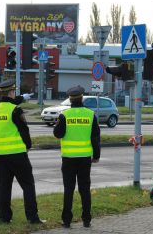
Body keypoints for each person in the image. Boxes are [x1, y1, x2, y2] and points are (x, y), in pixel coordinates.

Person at [0, 79, 45, 224]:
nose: (15, 94)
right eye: (14, 91)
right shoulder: (15, 109)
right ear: (10, 92)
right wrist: (28, 145)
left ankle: (4, 217)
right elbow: (24, 130)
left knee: (4, 187)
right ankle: (32, 217)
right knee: (28, 185)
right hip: (17, 154)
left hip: (2, 155)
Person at [53, 85, 100, 228]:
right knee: (84, 189)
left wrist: (58, 125)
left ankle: (67, 221)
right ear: (82, 98)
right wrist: (96, 155)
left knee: (69, 189)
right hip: (85, 158)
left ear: (70, 100)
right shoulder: (90, 115)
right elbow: (95, 137)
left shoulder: (64, 115)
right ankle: (86, 220)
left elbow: (58, 134)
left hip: (68, 158)